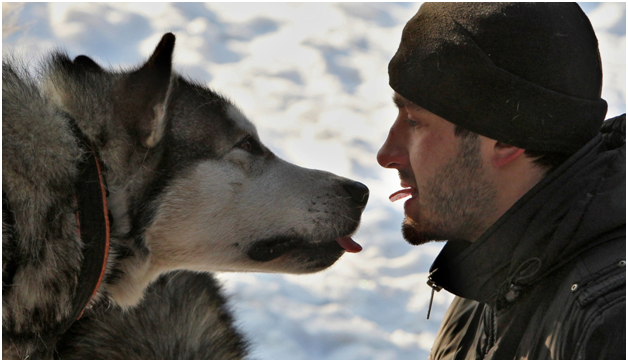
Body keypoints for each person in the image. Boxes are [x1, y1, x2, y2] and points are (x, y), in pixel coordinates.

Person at [377, 3, 625, 359]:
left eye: (415, 122)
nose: (387, 154)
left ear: (507, 139)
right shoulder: (495, 257)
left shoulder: (611, 325)